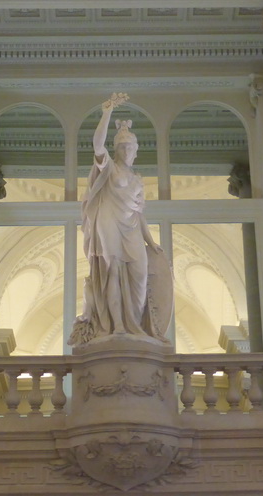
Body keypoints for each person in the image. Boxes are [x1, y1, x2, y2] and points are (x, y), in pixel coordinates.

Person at [70, 93, 167, 345]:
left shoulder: (137, 179)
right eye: (122, 146)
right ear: (117, 149)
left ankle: (135, 324)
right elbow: (98, 145)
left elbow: (139, 214)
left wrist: (151, 241)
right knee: (112, 271)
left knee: (140, 273)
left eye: (130, 147)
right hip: (109, 222)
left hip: (132, 228)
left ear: (136, 150)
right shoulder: (110, 168)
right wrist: (107, 112)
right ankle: (119, 326)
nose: (126, 150)